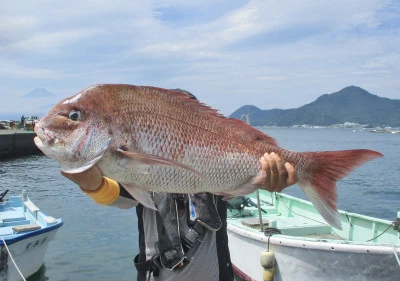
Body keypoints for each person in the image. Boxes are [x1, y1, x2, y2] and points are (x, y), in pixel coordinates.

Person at [62, 152, 297, 281]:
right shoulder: (141, 171)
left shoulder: (216, 169)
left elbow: (243, 180)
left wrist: (269, 179)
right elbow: (116, 194)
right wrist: (93, 185)